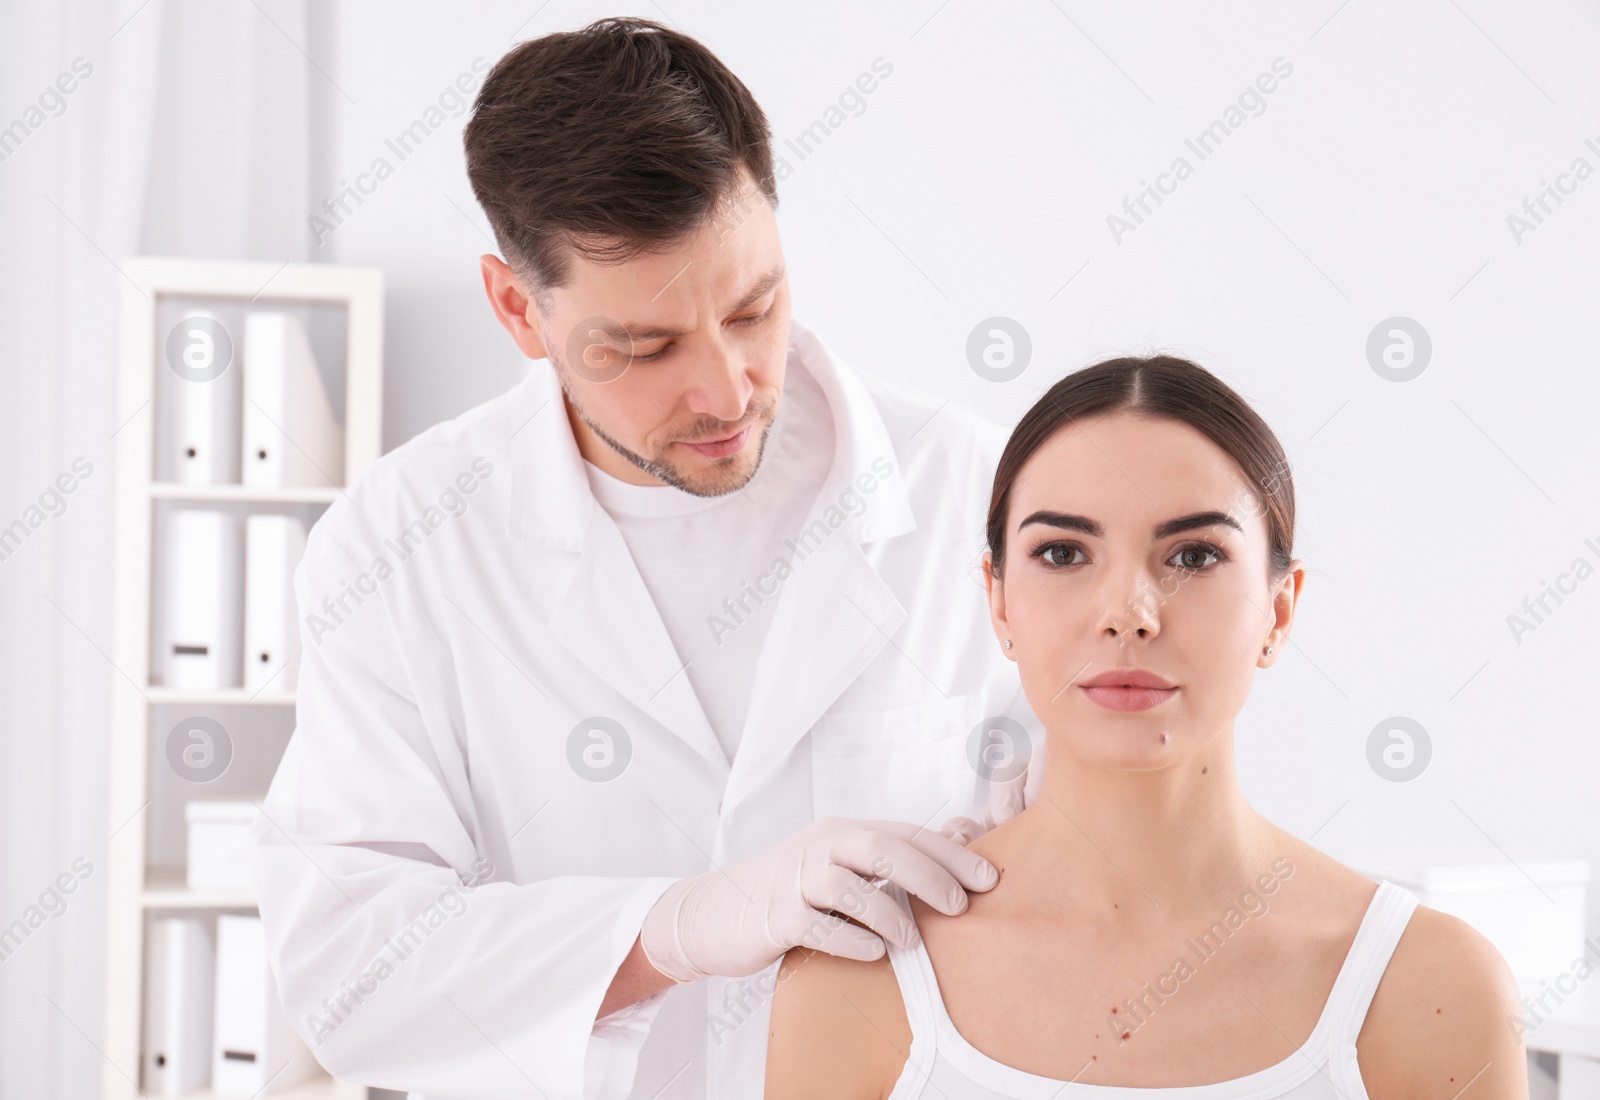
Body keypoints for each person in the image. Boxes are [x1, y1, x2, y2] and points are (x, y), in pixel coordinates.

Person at [253, 17, 1037, 1100]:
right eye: (644, 347)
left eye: (753, 307)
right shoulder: (401, 545)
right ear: (519, 308)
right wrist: (672, 928)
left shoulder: (980, 493)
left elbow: (1100, 881)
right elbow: (350, 974)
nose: (723, 390)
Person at [765, 355, 1527, 1099]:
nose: (1129, 613)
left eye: (1193, 556)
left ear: (1279, 611)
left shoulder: (1429, 988)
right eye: (1063, 552)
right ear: (997, 602)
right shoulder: (855, 977)